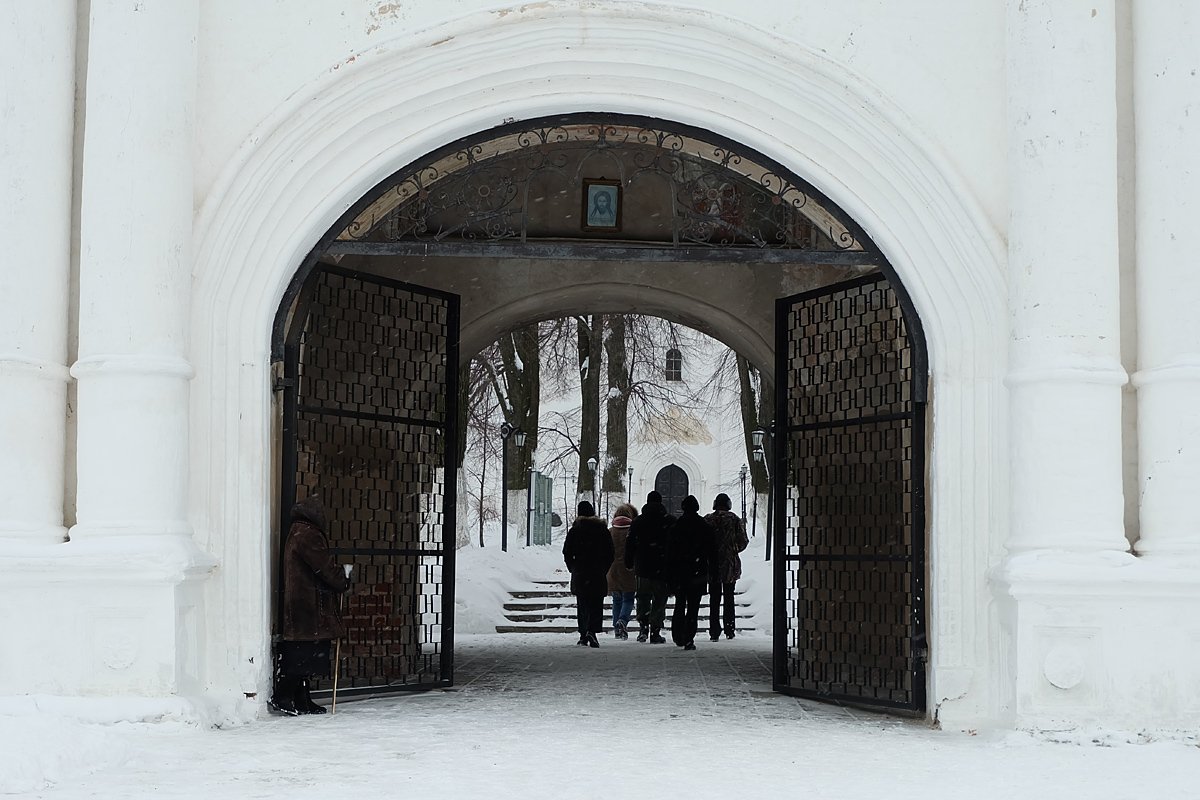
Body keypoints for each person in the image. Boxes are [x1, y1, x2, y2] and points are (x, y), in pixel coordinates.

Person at [272, 497, 351, 716]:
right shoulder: (308, 534)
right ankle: (284, 695)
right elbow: (323, 566)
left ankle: (301, 697)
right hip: (308, 603)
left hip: (303, 602)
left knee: (307, 652)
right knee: (304, 653)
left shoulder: (298, 532)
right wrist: (342, 580)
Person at [562, 501, 614, 648]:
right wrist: (604, 568)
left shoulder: (575, 531)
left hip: (581, 572)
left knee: (583, 603)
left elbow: (567, 552)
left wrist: (572, 567)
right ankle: (593, 630)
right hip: (597, 573)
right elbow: (610, 553)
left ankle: (583, 633)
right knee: (596, 603)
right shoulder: (602, 530)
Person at [625, 490, 674, 644]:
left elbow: (630, 542)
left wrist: (628, 561)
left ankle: (643, 627)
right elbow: (675, 545)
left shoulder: (638, 521)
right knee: (660, 599)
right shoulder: (669, 521)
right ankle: (656, 631)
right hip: (662, 567)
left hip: (643, 567)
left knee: (643, 597)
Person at [666, 495, 715, 650]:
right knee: (693, 607)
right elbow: (712, 551)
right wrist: (712, 570)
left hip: (680, 572)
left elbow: (670, 553)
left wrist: (670, 573)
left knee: (679, 604)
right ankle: (689, 637)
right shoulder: (704, 527)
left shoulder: (676, 527)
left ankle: (678, 635)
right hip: (698, 572)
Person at [704, 493, 750, 641]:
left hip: (712, 565)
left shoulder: (708, 520)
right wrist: (732, 549)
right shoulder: (735, 520)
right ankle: (729, 629)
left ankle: (714, 631)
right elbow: (743, 541)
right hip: (730, 565)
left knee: (714, 599)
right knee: (729, 598)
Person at [606, 503, 639, 640]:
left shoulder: (609, 531)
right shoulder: (632, 532)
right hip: (628, 569)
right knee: (628, 599)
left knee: (616, 600)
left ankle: (616, 627)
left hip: (612, 570)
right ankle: (623, 621)